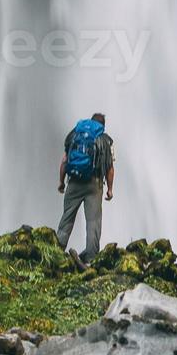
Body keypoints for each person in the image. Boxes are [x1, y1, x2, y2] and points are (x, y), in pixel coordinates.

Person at [56, 112, 114, 264]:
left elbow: (64, 160)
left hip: (74, 182)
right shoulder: (104, 139)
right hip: (94, 184)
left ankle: (58, 250)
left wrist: (61, 182)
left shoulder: (74, 134)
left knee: (67, 217)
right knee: (93, 221)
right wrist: (109, 189)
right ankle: (91, 257)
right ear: (103, 125)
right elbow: (109, 168)